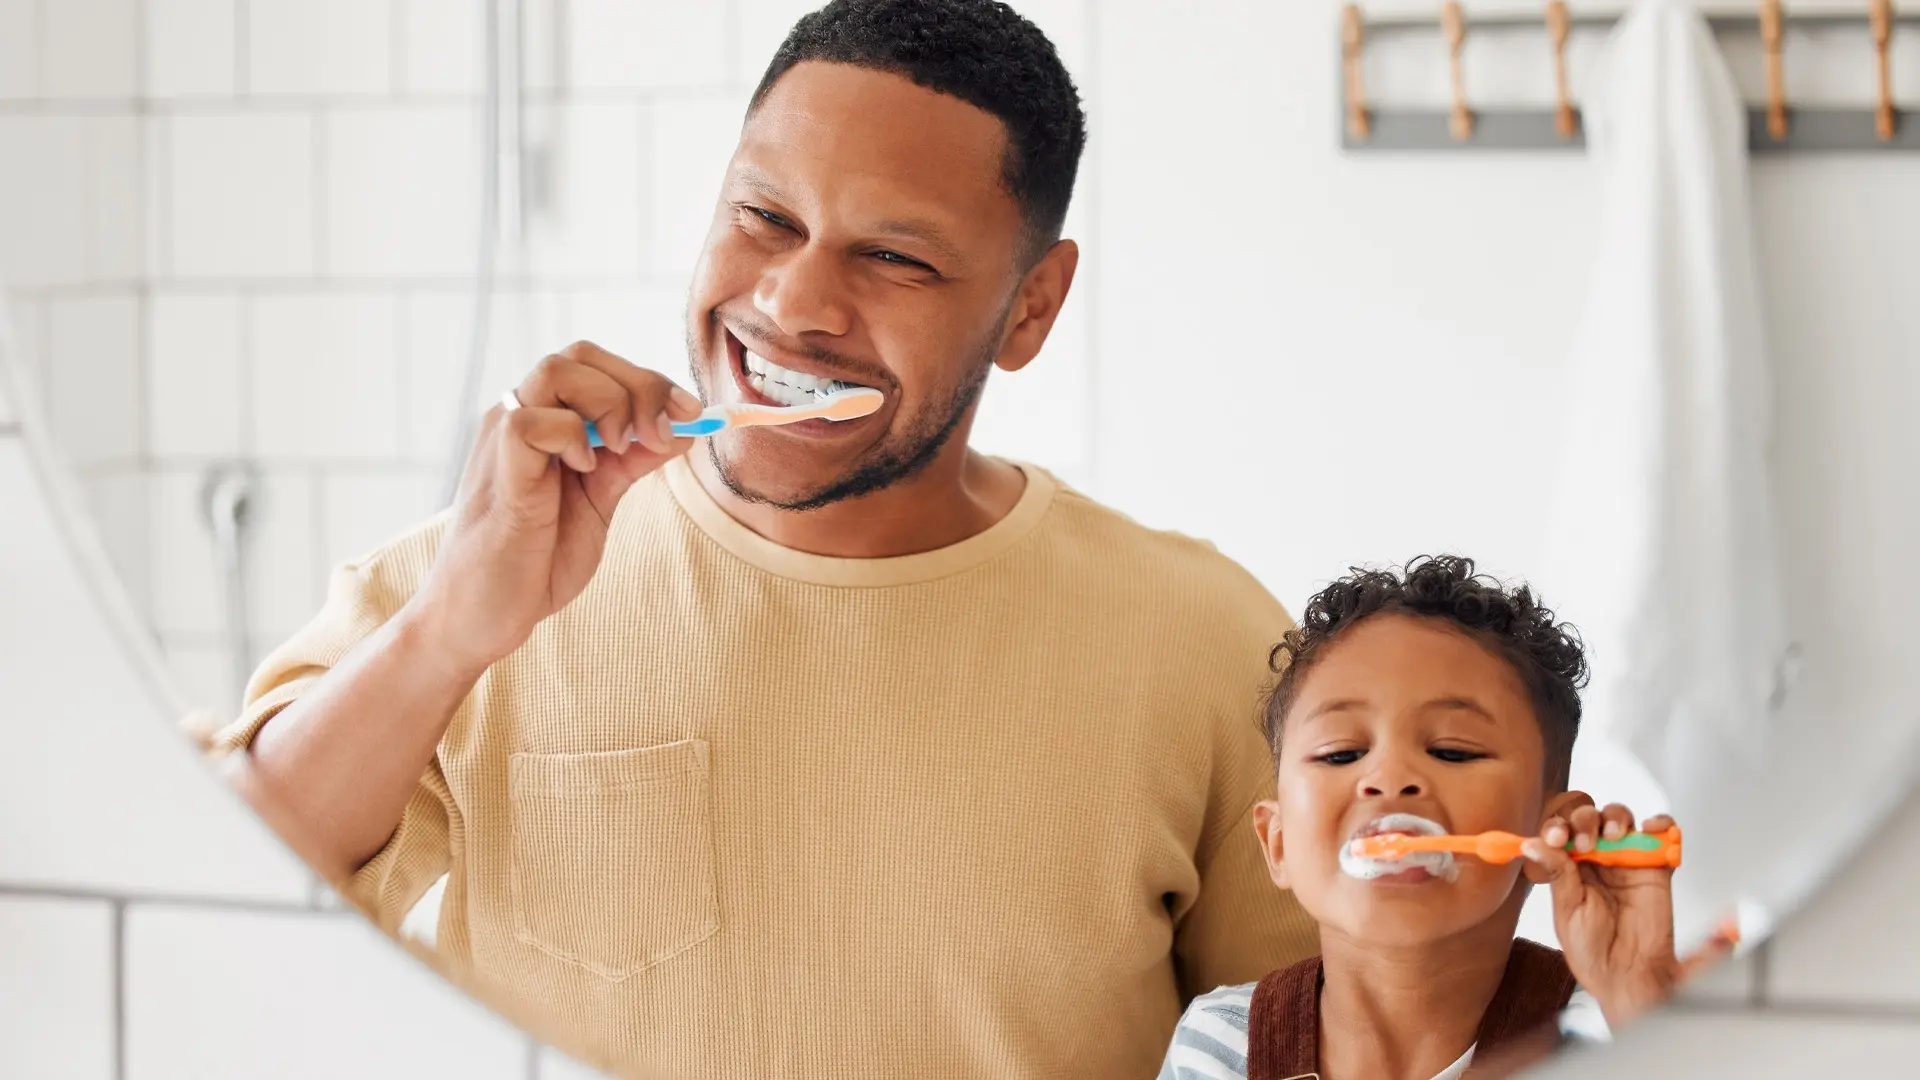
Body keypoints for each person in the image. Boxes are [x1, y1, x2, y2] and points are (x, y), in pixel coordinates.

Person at [212, 2, 1316, 1077]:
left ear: (1031, 306)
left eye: (895, 258)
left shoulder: (1206, 643)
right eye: (765, 219)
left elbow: (1318, 1039)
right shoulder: (471, 580)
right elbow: (223, 894)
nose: (795, 306)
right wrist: (450, 629)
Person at [1157, 556, 1694, 1080]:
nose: (1390, 777)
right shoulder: (1219, 1045)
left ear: (1549, 832)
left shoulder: (1614, 1036)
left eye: (1452, 751)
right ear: (1278, 844)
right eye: (1341, 753)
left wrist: (1644, 1010)